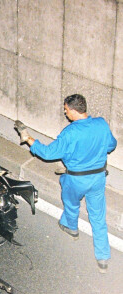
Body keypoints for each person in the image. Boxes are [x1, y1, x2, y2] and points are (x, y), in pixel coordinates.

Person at [15, 94, 117, 273]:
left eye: (66, 109)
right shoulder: (101, 124)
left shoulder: (70, 133)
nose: (64, 112)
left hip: (75, 179)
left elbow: (47, 153)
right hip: (98, 178)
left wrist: (28, 138)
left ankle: (71, 228)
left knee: (71, 204)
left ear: (74, 110)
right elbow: (110, 145)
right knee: (98, 217)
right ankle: (103, 259)